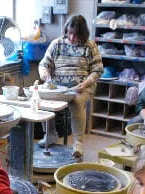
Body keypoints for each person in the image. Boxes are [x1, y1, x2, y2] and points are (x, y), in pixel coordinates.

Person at [38, 15, 104, 159]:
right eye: (69, 32)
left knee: (76, 101)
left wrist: (85, 83)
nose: (72, 37)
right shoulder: (57, 44)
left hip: (81, 87)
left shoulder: (90, 46)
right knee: (42, 98)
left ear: (83, 33)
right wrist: (45, 75)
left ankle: (78, 143)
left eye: (76, 34)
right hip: (57, 86)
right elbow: (44, 64)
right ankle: (50, 134)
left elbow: (98, 70)